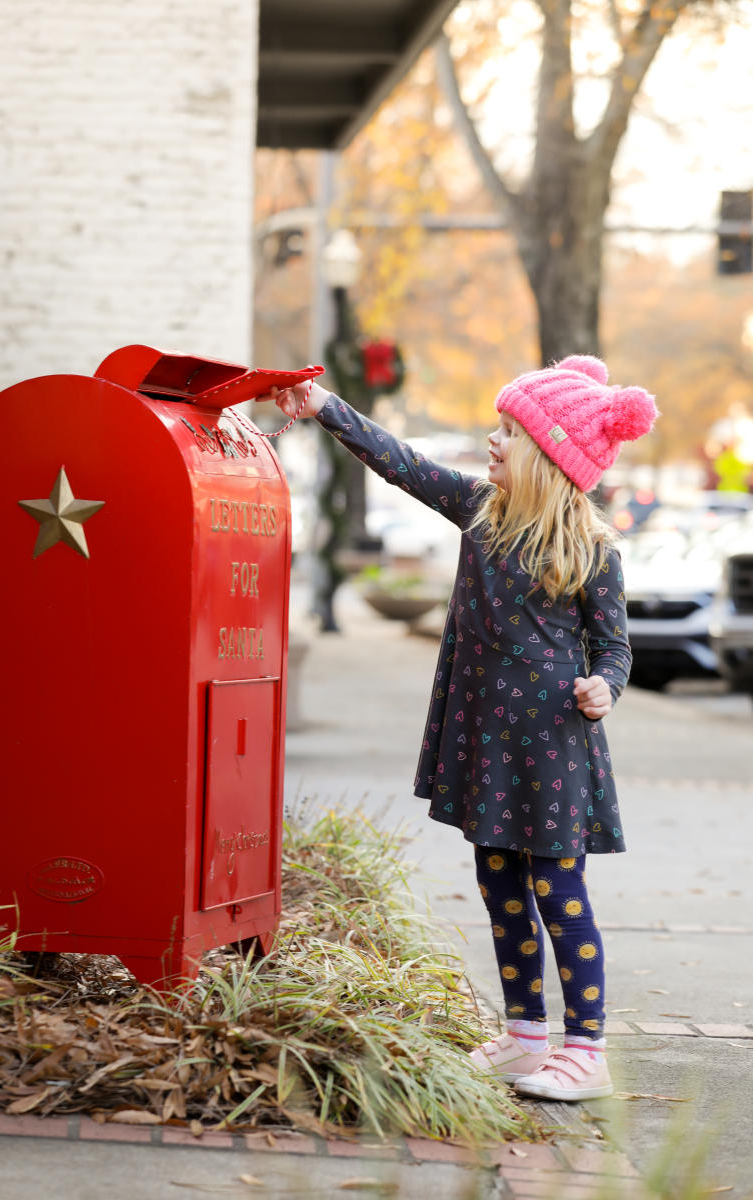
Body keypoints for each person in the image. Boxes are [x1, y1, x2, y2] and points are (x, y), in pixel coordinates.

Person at [257, 356, 658, 1102]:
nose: (493, 439)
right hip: (489, 742)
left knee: (558, 891)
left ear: (550, 453)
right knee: (498, 881)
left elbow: (615, 645)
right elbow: (401, 463)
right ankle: (526, 1033)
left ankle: (587, 1049)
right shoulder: (478, 511)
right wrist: (329, 408)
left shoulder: (592, 548)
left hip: (553, 746)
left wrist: (607, 686)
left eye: (510, 430)